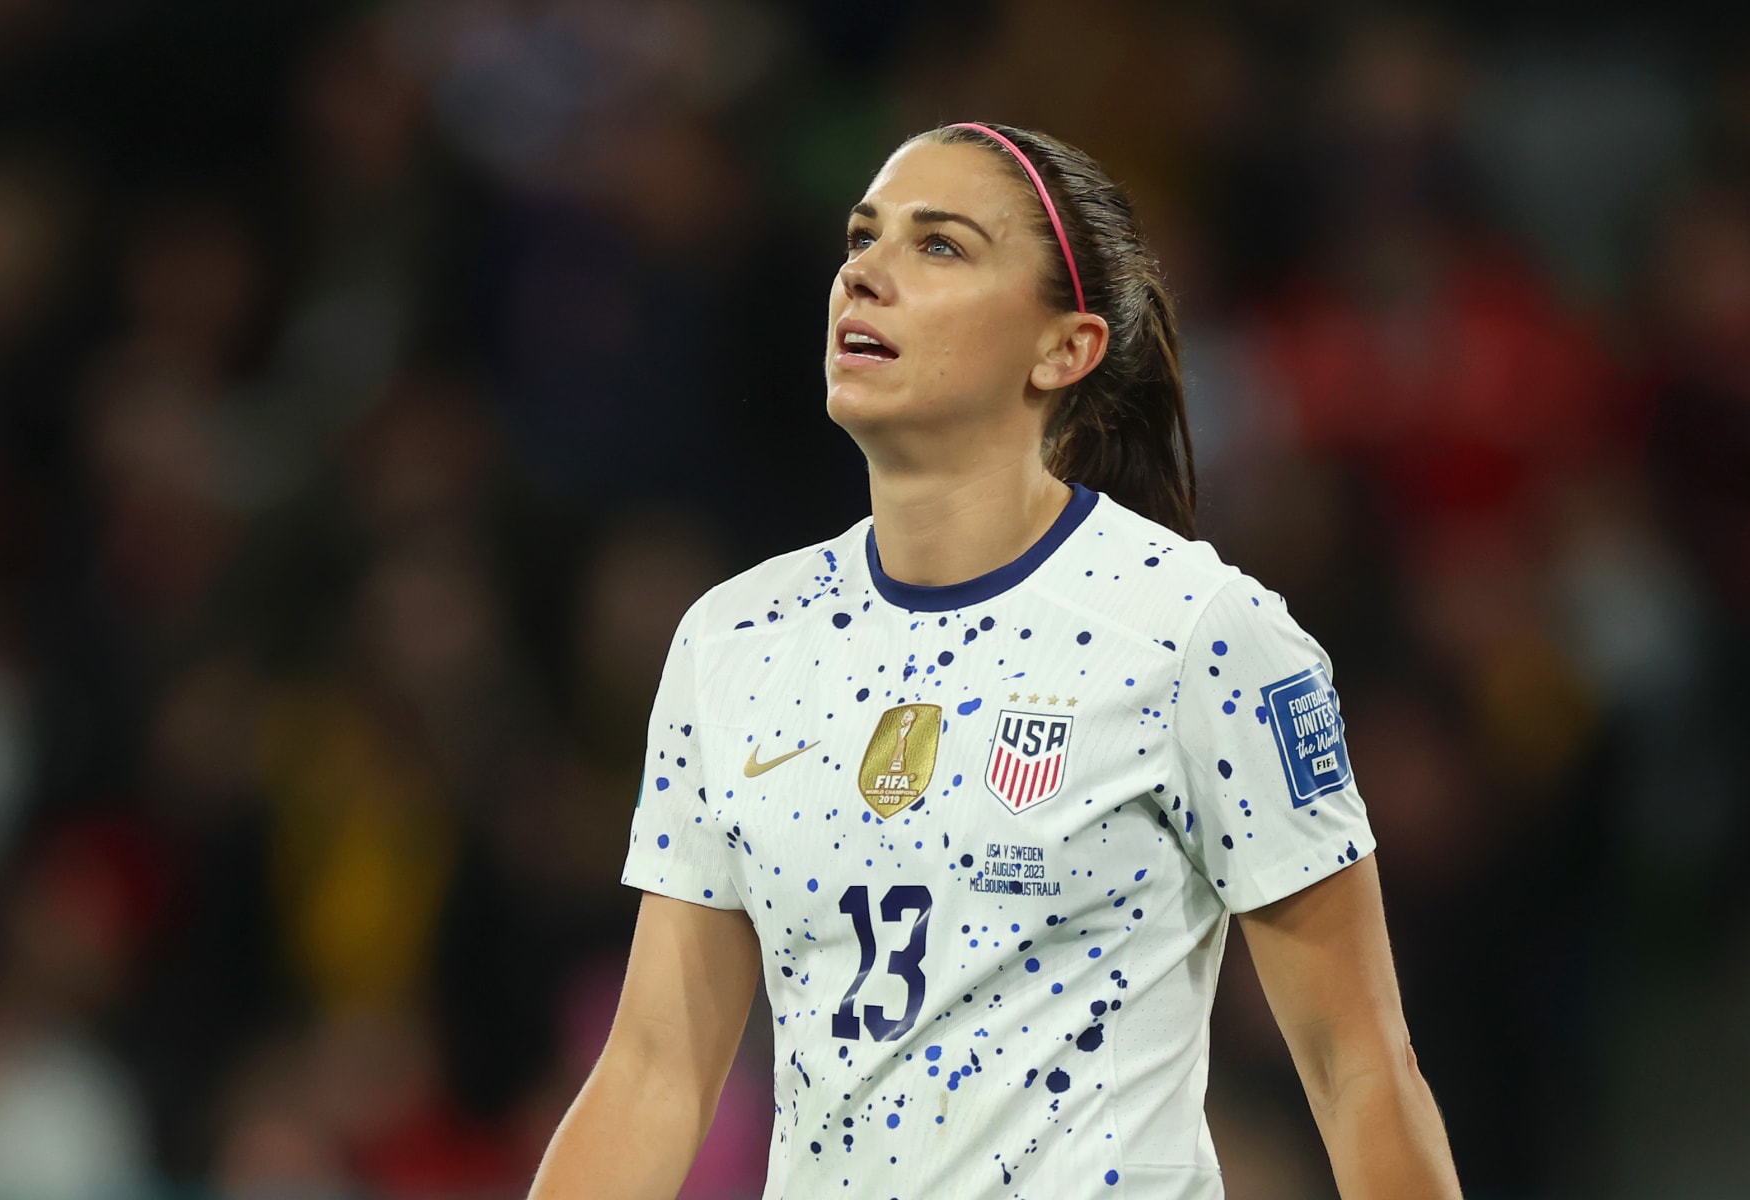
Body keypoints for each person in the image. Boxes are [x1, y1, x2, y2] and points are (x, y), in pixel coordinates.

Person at [529, 122, 1461, 1200]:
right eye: (862, 238)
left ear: (1064, 349)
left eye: (940, 246)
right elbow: (653, 1075)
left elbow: (1360, 1071)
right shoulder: (734, 641)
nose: (866, 273)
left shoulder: (1201, 633)